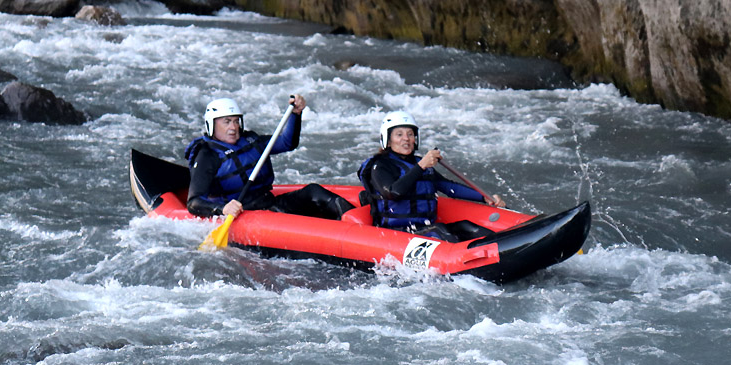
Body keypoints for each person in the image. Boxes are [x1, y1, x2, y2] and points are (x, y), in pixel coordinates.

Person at [184, 94, 354, 220]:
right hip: (243, 215)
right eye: (226, 122)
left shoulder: (250, 140)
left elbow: (287, 143)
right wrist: (222, 209)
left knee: (313, 191)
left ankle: (357, 221)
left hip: (269, 204)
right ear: (211, 124)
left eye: (236, 121)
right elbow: (194, 203)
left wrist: (295, 114)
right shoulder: (207, 155)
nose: (233, 127)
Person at [358, 110, 504, 241]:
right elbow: (393, 193)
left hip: (424, 228)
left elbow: (449, 187)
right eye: (399, 134)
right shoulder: (380, 166)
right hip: (397, 233)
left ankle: (502, 249)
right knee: (440, 233)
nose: (406, 139)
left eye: (410, 134)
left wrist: (484, 197)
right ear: (388, 140)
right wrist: (421, 166)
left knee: (467, 227)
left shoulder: (418, 163)